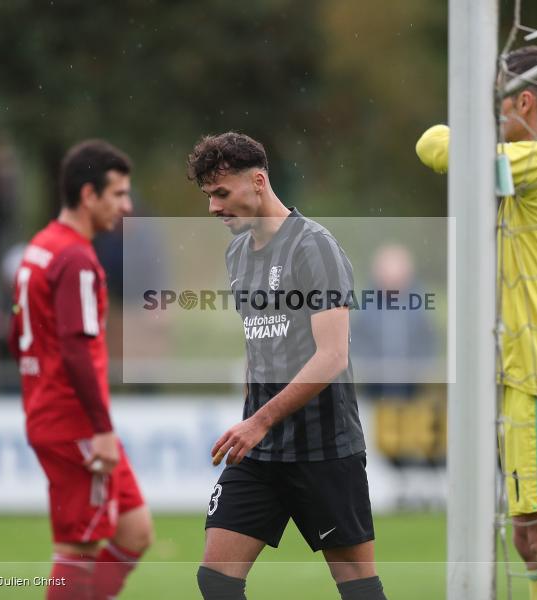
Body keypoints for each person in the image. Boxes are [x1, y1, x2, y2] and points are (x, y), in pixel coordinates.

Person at [417, 46, 537, 600]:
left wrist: (464, 127)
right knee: (528, 538)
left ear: (524, 99)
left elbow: (434, 145)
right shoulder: (531, 165)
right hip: (523, 372)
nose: (490, 116)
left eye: (494, 102)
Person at [187, 132, 388, 600]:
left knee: (359, 590)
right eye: (208, 197)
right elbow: (258, 343)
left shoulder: (314, 247)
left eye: (221, 193)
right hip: (260, 453)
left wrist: (257, 420)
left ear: (258, 182)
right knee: (215, 579)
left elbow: (332, 356)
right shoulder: (236, 253)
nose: (214, 208)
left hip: (324, 450)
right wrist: (250, 416)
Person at [8, 140, 153, 600]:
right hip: (77, 424)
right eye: (118, 195)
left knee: (135, 531)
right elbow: (75, 349)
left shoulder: (41, 247)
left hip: (55, 412)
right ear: (88, 195)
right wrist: (100, 428)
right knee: (78, 550)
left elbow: (18, 338)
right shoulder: (76, 259)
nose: (126, 206)